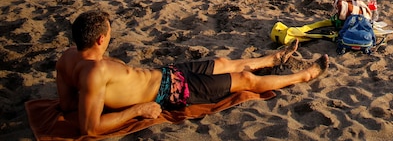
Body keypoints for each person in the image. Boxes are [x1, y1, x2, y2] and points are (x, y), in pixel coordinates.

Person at [56, 10, 328, 137]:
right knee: (245, 81)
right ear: (101, 39)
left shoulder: (67, 59)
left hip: (164, 74)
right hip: (171, 92)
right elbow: (89, 128)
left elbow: (67, 105)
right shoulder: (94, 72)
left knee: (222, 61)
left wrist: (96, 97)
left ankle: (270, 59)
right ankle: (303, 76)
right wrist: (137, 110)